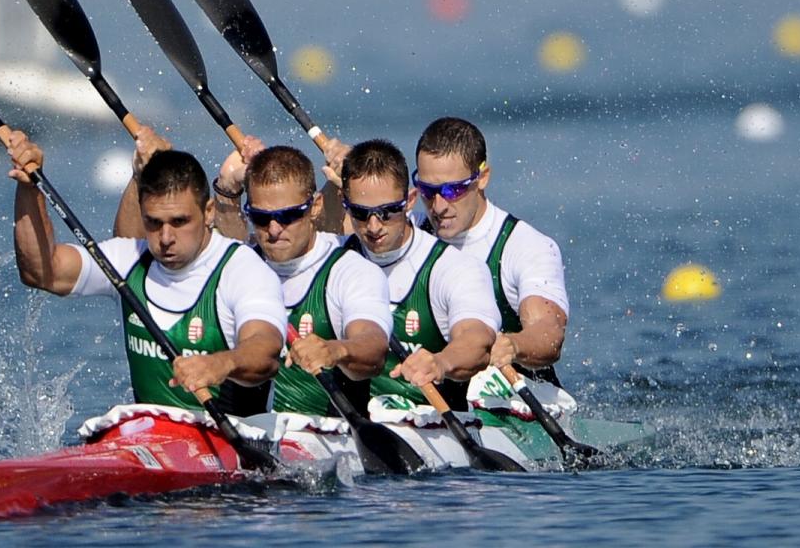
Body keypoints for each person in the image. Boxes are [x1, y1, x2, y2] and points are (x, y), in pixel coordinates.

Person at [6, 125, 286, 416]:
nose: (165, 237)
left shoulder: (242, 269)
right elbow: (42, 272)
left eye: (179, 222)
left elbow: (265, 350)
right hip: (151, 440)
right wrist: (29, 188)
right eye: (153, 222)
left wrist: (221, 364)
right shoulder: (131, 259)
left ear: (208, 212)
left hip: (233, 444)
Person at [213, 144, 391, 417]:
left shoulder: (351, 271)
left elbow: (374, 346)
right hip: (244, 435)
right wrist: (226, 186)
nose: (273, 230)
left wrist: (335, 350)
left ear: (316, 206)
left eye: (287, 216)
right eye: (261, 218)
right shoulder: (236, 267)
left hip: (326, 440)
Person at [337, 139, 501, 410]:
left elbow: (476, 340)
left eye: (387, 212)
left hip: (433, 427)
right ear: (345, 204)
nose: (374, 226)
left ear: (410, 201)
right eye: (361, 213)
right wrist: (237, 191)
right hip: (349, 429)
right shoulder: (332, 260)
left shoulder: (453, 268)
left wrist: (441, 362)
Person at [412, 117, 569, 386]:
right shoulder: (409, 235)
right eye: (428, 190)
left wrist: (514, 344)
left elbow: (549, 334)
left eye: (453, 190)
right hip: (436, 400)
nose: (438, 206)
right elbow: (338, 235)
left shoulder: (525, 246)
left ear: (482, 177)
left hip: (514, 403)